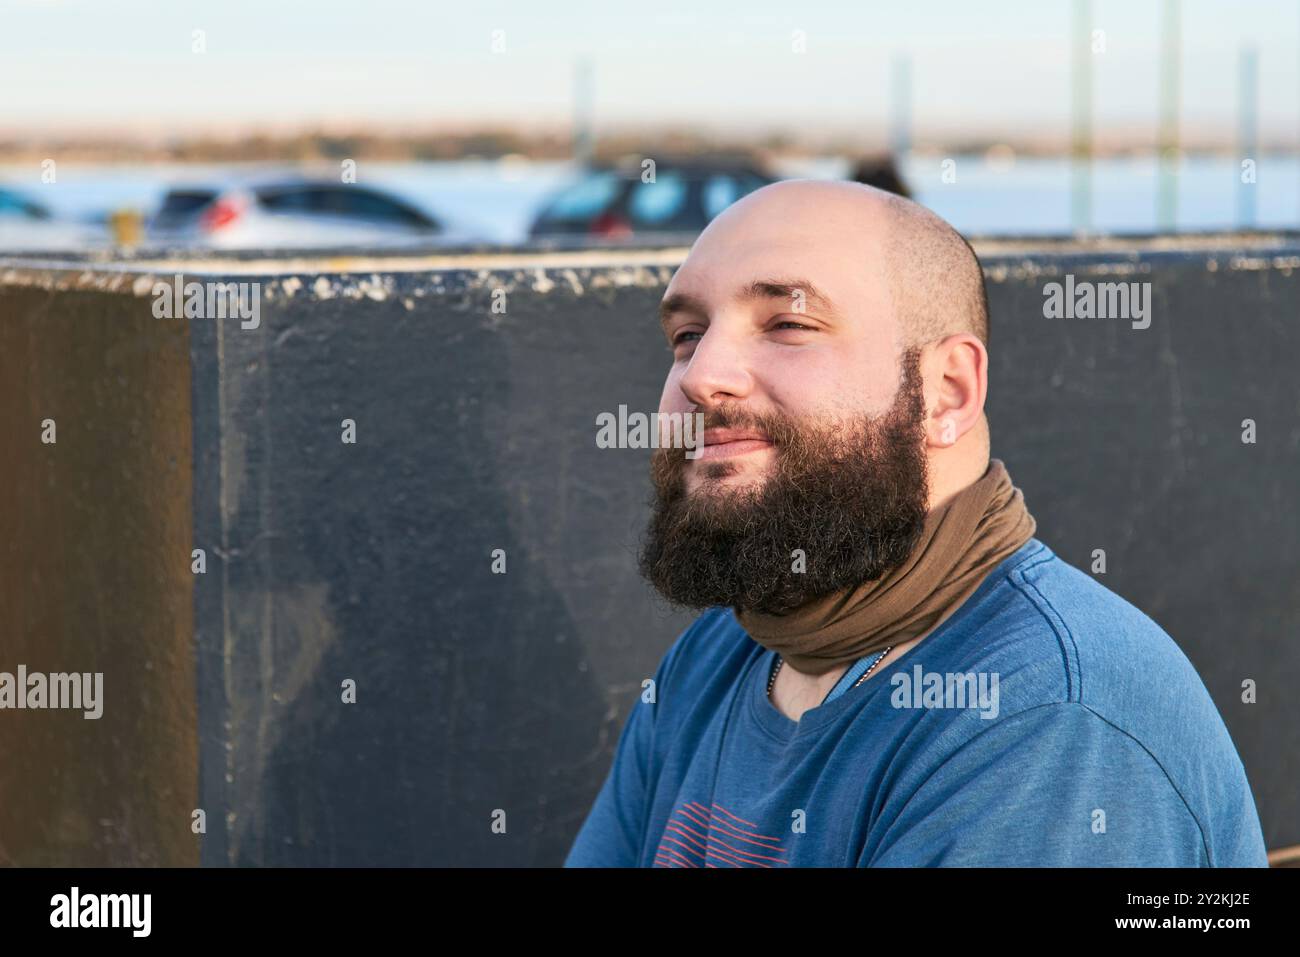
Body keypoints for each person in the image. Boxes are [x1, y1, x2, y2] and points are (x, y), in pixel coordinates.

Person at [564, 179, 1269, 867]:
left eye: (788, 323)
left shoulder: (1045, 717)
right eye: (688, 335)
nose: (701, 373)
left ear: (946, 392)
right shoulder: (717, 656)